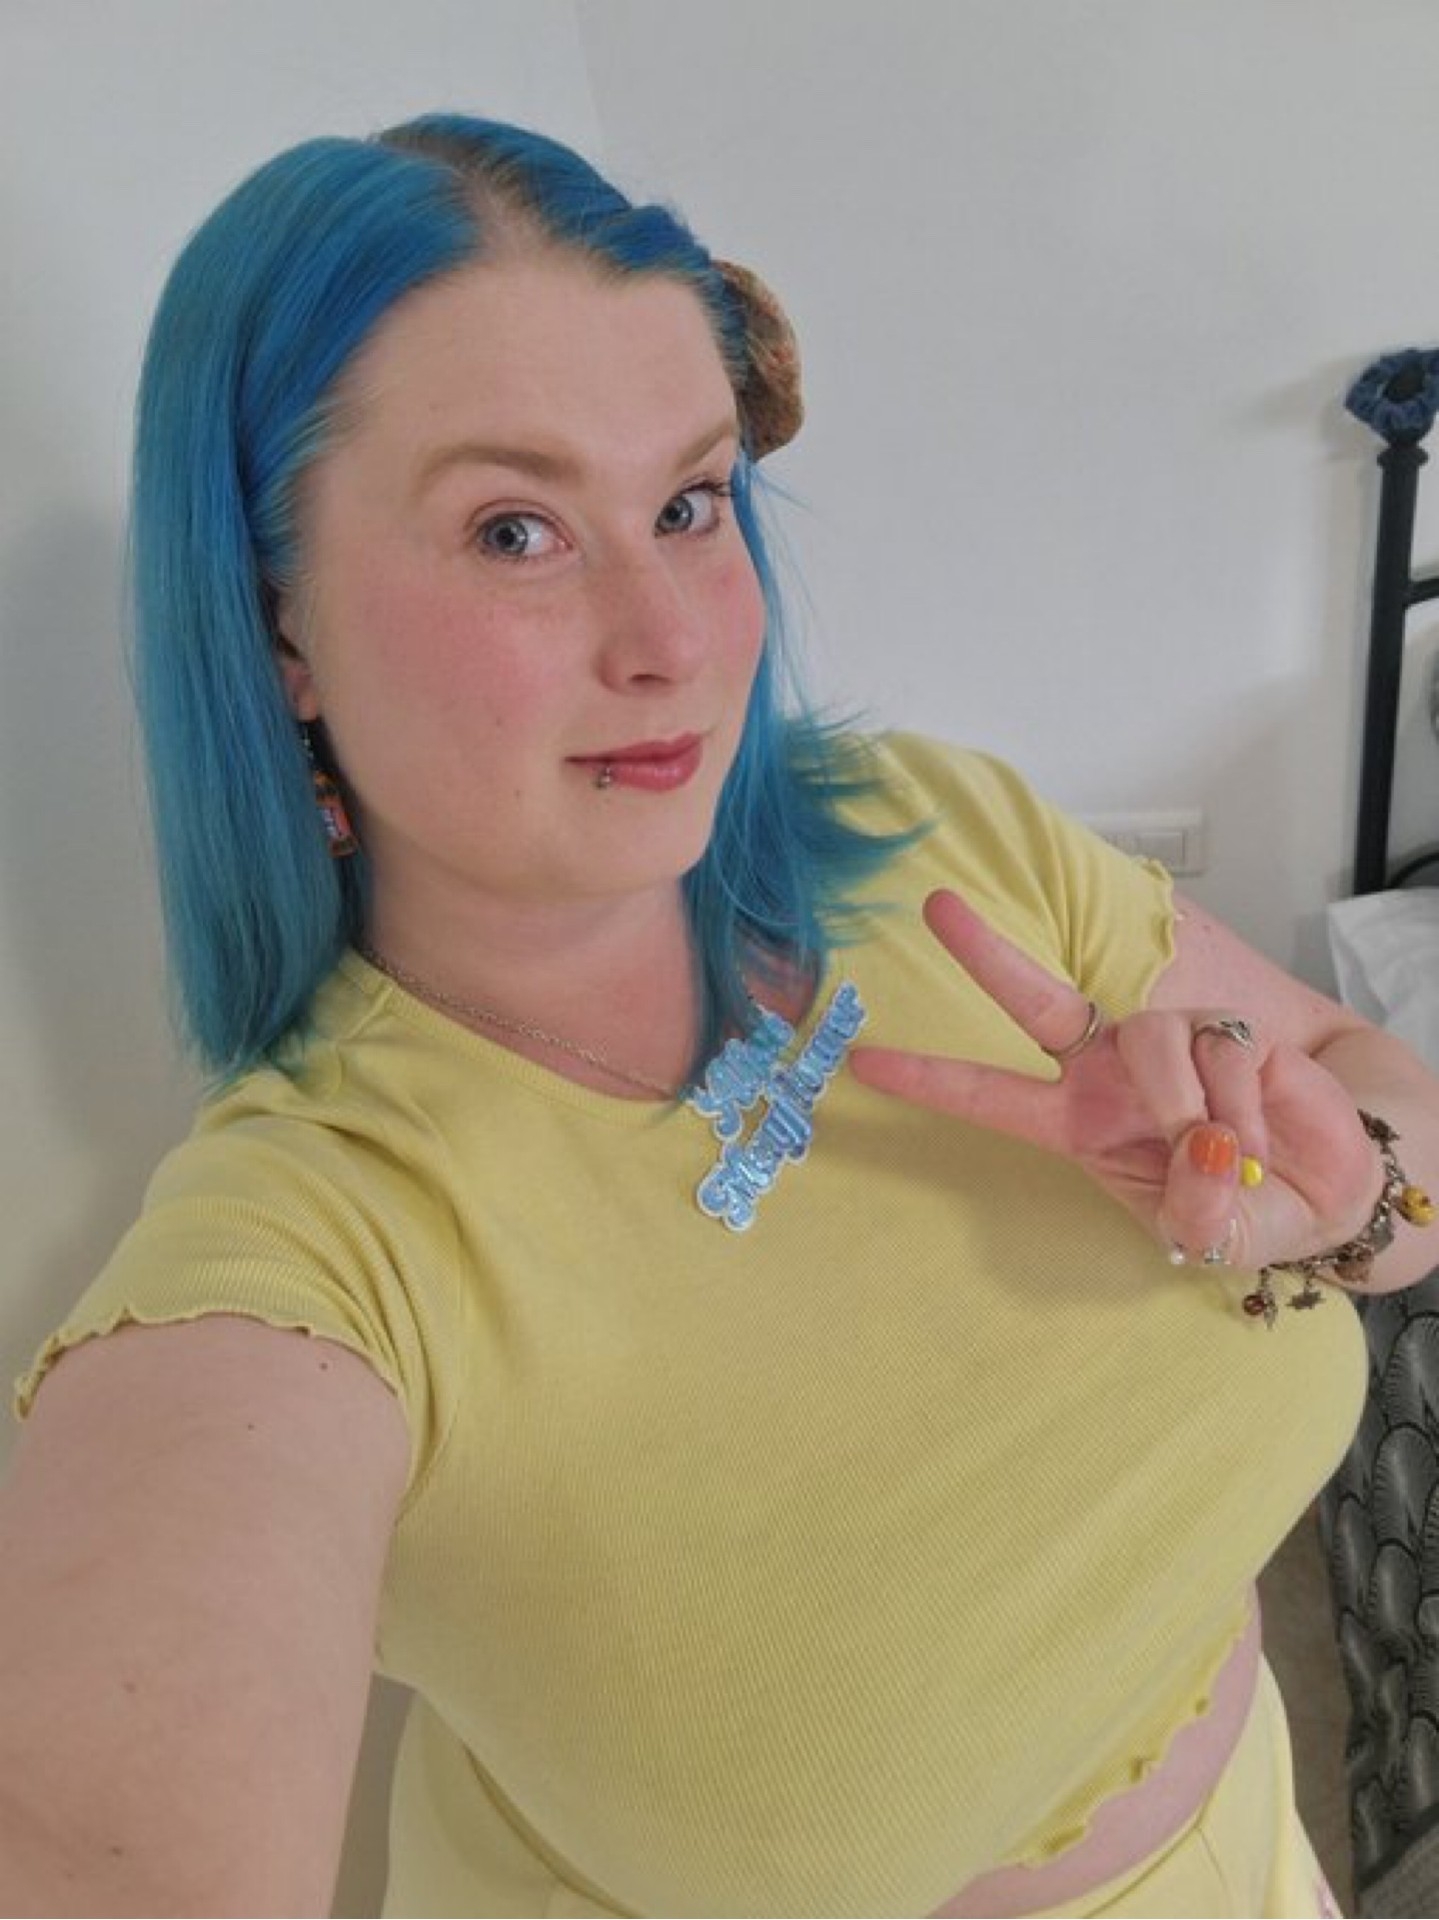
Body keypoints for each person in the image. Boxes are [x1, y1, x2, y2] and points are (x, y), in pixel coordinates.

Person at [1, 112, 1436, 1920]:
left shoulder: (937, 833)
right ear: (278, 624)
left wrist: (1349, 1198)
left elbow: (1391, 1111)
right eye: (516, 529)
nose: (674, 639)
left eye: (688, 503)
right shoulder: (319, 1238)